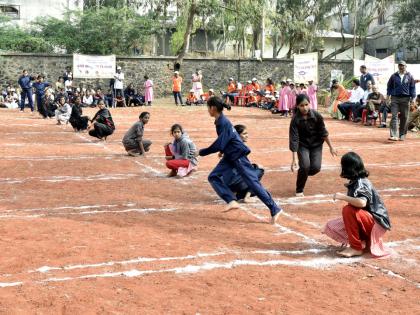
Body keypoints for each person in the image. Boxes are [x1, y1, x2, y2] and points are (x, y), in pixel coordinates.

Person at [197, 96, 283, 224]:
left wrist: (202, 152)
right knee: (214, 176)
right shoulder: (220, 121)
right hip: (230, 155)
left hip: (237, 156)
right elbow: (226, 140)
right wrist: (222, 150)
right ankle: (231, 200)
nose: (208, 110)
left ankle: (274, 208)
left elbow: (220, 143)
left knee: (253, 182)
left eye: (208, 107)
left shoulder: (223, 122)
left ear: (213, 108)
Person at [323, 152, 391, 258]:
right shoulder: (355, 181)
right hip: (370, 221)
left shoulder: (361, 183)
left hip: (377, 224)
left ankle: (356, 247)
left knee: (348, 210)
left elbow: (362, 202)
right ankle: (363, 242)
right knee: (332, 225)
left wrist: (342, 197)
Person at [290, 94, 338, 197]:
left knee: (316, 168)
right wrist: (294, 159)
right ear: (297, 106)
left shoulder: (317, 116)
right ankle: (299, 189)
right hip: (302, 145)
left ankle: (303, 172)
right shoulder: (295, 119)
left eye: (306, 104)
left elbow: (323, 132)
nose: (305, 108)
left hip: (316, 144)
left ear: (310, 104)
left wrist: (331, 147)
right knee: (305, 165)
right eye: (302, 105)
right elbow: (294, 139)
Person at [227, 124, 265, 203]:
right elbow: (244, 168)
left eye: (247, 133)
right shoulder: (240, 148)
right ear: (237, 135)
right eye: (244, 134)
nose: (247, 135)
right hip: (234, 182)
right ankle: (247, 197)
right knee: (259, 171)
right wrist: (256, 167)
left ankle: (239, 195)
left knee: (256, 182)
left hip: (228, 182)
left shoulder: (230, 145)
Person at [386, 60, 416, 141]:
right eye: (400, 65)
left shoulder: (409, 76)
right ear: (398, 66)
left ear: (406, 66)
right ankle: (394, 135)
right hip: (395, 98)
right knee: (394, 116)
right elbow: (389, 87)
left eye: (403, 65)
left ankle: (402, 134)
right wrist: (387, 97)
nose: (401, 67)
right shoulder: (393, 76)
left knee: (405, 117)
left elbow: (412, 88)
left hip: (406, 99)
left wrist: (413, 98)